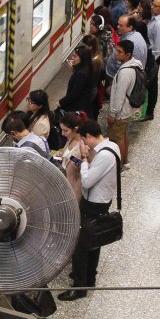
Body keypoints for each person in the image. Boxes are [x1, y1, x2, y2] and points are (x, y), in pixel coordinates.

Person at [59, 119, 119, 301]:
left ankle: (79, 287)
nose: (83, 144)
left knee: (81, 245)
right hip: (101, 200)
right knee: (93, 240)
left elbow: (86, 181)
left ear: (89, 136)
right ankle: (89, 277)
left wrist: (85, 159)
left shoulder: (104, 155)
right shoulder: (112, 146)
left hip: (94, 203)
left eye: (83, 140)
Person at [107, 40, 141, 167]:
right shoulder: (135, 64)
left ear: (128, 55)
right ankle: (125, 160)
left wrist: (112, 113)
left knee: (118, 138)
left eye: (119, 52)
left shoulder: (125, 72)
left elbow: (120, 95)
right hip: (128, 109)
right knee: (124, 135)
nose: (116, 54)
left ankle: (119, 163)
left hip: (121, 112)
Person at [143, 0, 160, 120]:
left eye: (155, 6)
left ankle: (149, 112)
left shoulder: (158, 24)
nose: (152, 7)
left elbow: (157, 48)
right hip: (154, 54)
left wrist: (151, 64)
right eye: (152, 4)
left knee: (152, 83)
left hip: (154, 56)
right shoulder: (158, 18)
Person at [59, 45, 97, 118]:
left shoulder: (81, 74)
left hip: (77, 107)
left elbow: (74, 93)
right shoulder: (88, 67)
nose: (72, 58)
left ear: (82, 58)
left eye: (75, 56)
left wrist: (61, 102)